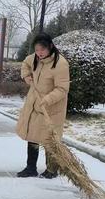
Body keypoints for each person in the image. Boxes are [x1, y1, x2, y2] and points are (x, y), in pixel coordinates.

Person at [16, 32, 70, 178]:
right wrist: (26, 76)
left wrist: (48, 99)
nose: (39, 53)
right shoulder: (34, 58)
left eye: (42, 50)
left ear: (50, 47)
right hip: (35, 103)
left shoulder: (60, 64)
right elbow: (25, 64)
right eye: (37, 50)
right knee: (33, 135)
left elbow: (62, 89)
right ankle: (30, 168)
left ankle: (51, 170)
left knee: (49, 139)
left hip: (52, 108)